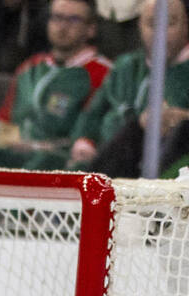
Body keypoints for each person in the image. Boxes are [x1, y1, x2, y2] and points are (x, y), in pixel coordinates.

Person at [0, 0, 112, 170]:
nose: (62, 26)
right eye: (57, 18)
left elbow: (90, 133)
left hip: (60, 162)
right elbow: (5, 121)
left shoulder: (102, 73)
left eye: (73, 20)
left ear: (91, 29)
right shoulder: (30, 67)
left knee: (41, 164)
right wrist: (6, 142)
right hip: (16, 154)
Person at [67, 0, 189, 175]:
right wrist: (84, 141)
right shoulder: (125, 66)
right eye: (152, 24)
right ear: (140, 26)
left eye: (169, 23)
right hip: (110, 158)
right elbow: (93, 113)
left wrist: (182, 116)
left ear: (185, 26)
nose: (160, 33)